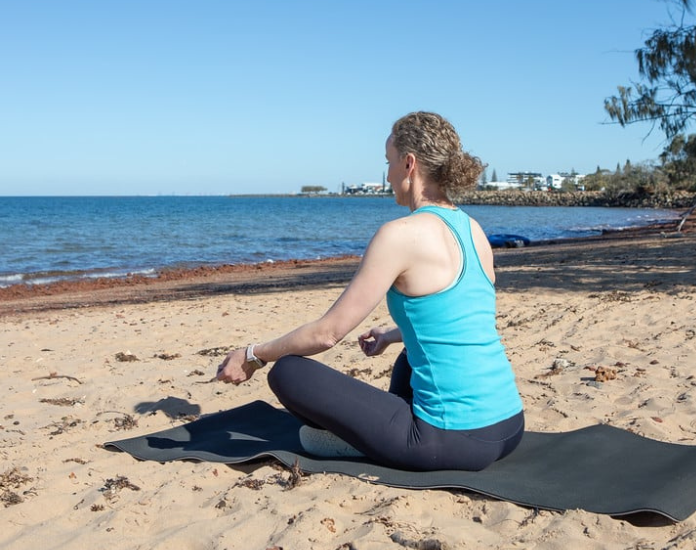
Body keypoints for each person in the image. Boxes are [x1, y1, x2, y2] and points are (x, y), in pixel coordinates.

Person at [215, 111, 524, 471]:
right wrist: (393, 334)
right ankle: (385, 431)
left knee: (287, 372)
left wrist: (253, 355)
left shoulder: (400, 234)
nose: (388, 173)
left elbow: (327, 333)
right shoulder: (473, 229)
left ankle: (363, 444)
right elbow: (463, 317)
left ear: (409, 164)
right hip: (509, 425)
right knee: (408, 358)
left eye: (389, 162)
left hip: (451, 441)